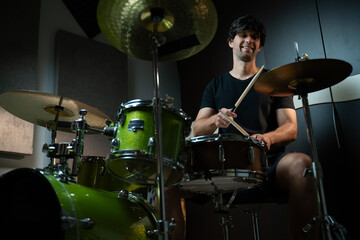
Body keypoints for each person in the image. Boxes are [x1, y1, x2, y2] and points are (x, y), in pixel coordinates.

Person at [190, 14, 319, 239]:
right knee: (168, 181)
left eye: (254, 37)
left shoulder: (276, 80)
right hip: (225, 167)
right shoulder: (215, 86)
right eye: (243, 35)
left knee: (303, 164)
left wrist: (268, 138)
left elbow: (290, 128)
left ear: (259, 45)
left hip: (268, 165)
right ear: (231, 41)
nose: (249, 40)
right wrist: (215, 120)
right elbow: (196, 130)